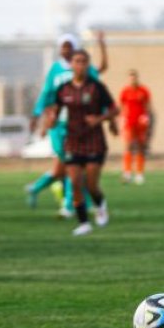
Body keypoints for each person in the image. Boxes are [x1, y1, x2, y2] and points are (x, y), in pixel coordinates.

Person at [26, 32, 114, 216]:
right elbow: (47, 95)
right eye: (63, 46)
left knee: (63, 168)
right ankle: (69, 205)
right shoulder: (55, 70)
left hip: (81, 127)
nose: (65, 49)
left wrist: (108, 119)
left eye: (69, 46)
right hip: (60, 127)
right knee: (70, 164)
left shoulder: (85, 70)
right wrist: (39, 119)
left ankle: (37, 189)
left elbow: (102, 94)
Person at [42, 50, 118, 236]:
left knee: (91, 185)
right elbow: (55, 111)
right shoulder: (64, 89)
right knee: (75, 182)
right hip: (73, 140)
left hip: (94, 141)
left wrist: (100, 119)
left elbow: (115, 109)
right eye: (77, 61)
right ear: (71, 65)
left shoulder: (96, 87)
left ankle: (100, 205)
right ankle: (84, 223)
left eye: (84, 62)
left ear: (88, 64)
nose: (80, 65)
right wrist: (49, 121)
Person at [119, 69, 152, 185]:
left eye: (134, 77)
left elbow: (148, 107)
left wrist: (147, 118)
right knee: (128, 147)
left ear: (137, 78)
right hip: (129, 123)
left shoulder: (143, 91)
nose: (132, 79)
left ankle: (139, 174)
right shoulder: (125, 92)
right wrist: (122, 119)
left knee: (140, 147)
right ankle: (127, 173)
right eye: (130, 77)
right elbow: (122, 107)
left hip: (140, 123)